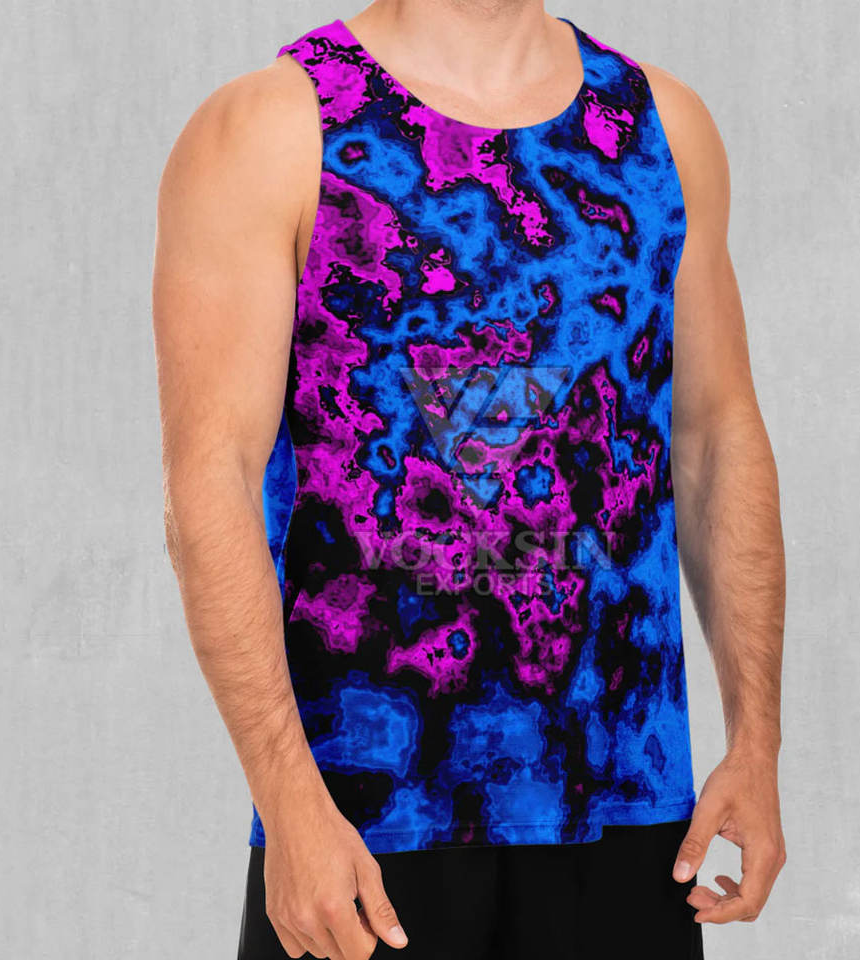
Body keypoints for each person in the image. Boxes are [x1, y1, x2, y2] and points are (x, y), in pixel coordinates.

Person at [152, 1, 786, 957]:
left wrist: (757, 741)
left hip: (629, 813)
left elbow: (714, 438)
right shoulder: (273, 128)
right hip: (363, 825)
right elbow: (211, 483)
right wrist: (286, 800)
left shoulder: (661, 127)